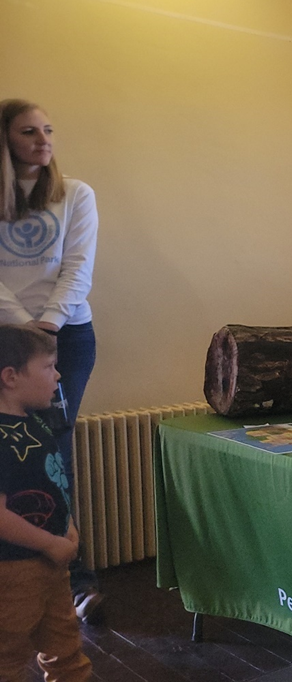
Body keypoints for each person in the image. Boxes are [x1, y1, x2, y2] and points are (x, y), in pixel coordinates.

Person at [0, 99, 102, 620]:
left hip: (67, 335)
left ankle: (72, 581)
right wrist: (23, 330)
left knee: (51, 453)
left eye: (48, 129)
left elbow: (79, 268)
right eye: (28, 132)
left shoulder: (76, 194)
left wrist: (47, 329)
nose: (43, 140)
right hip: (6, 337)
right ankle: (17, 573)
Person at [0, 324, 93, 682]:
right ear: (11, 376)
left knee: (65, 649)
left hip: (52, 563)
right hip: (13, 572)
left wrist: (66, 527)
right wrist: (49, 543)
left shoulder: (36, 420)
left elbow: (52, 484)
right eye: (48, 366)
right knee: (7, 655)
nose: (58, 375)